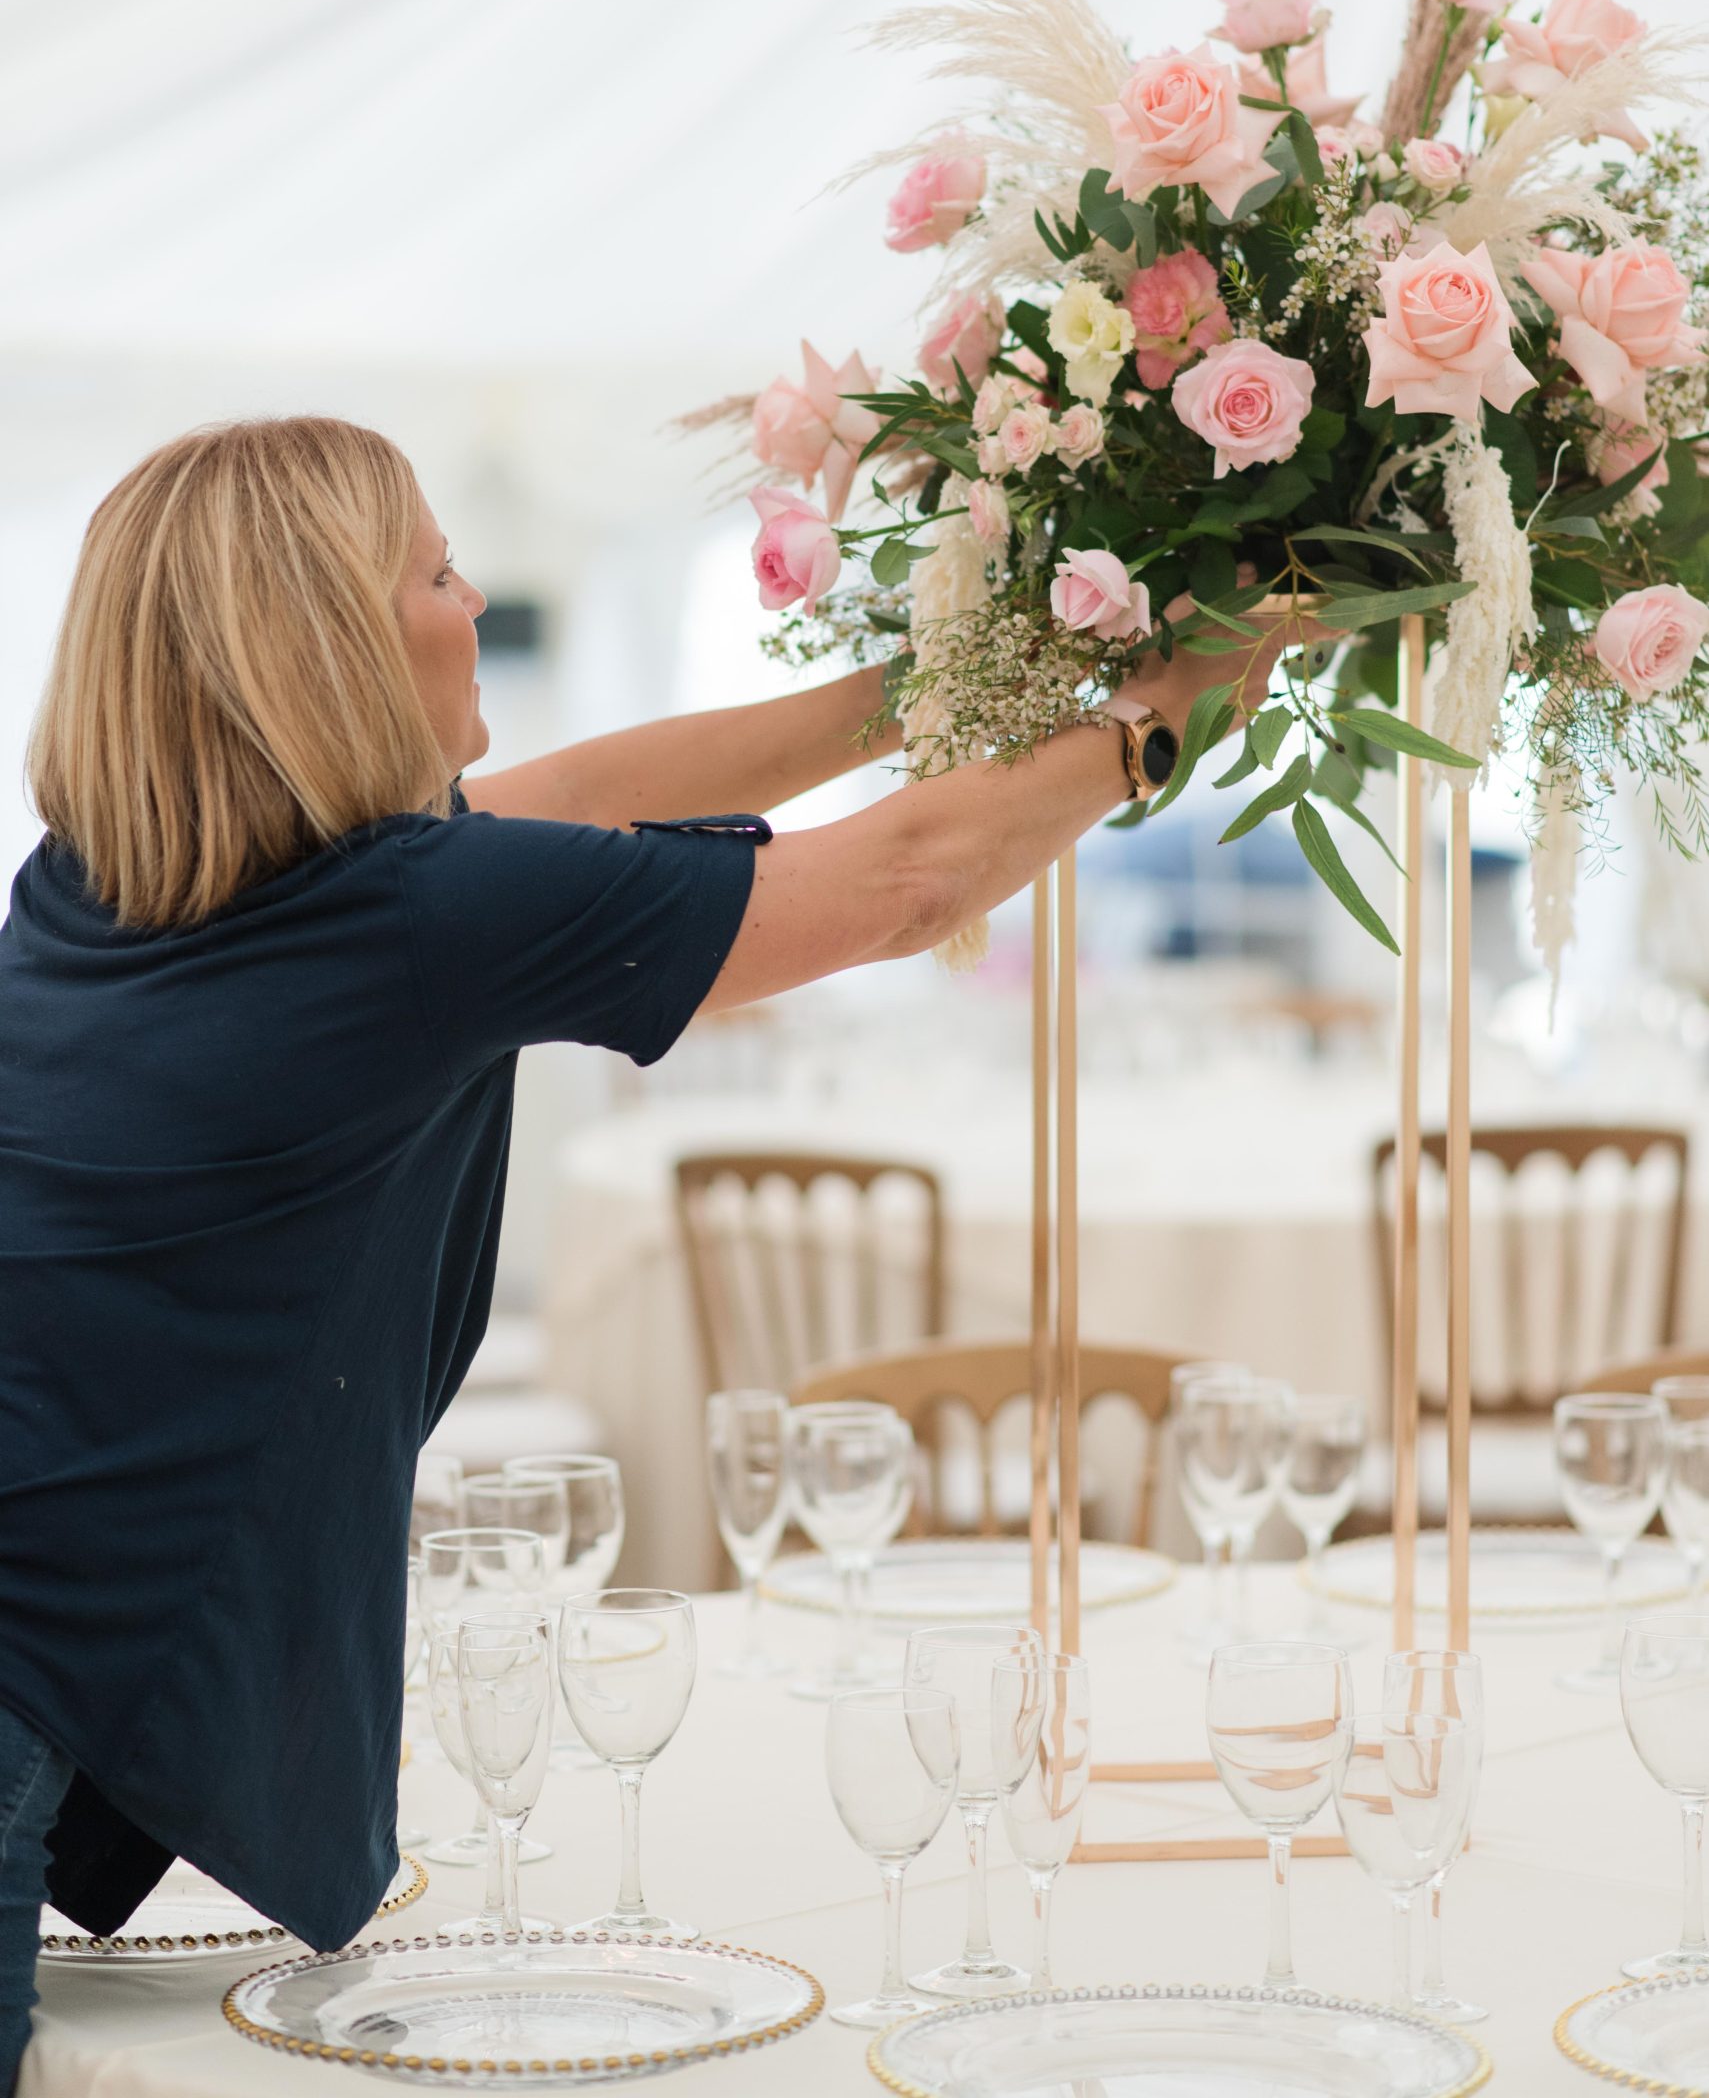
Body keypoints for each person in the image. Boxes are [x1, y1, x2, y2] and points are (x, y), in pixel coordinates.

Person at [0, 415, 1289, 2088]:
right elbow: (905, 882)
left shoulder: (112, 881)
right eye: (438, 570)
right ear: (327, 640)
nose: (471, 601)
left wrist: (956, 668)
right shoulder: (410, 919)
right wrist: (1163, 707)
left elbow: (598, 792)